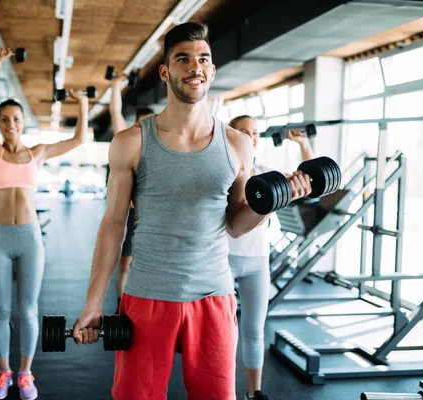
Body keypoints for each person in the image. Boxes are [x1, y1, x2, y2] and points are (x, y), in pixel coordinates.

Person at [71, 22, 312, 400]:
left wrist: (272, 203)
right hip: (147, 296)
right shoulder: (131, 142)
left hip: (214, 297)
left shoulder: (236, 144)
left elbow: (235, 223)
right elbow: (113, 224)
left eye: (203, 59)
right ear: (166, 72)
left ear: (212, 71)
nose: (194, 67)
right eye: (183, 59)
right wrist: (92, 303)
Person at [0, 48, 89, 400]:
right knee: (1, 311)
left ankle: (25, 373)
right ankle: (3, 373)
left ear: (22, 121)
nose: (10, 124)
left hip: (29, 237)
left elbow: (78, 140)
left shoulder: (38, 152)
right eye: (4, 119)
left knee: (27, 309)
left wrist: (83, 106)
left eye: (15, 118)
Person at [227, 115, 314, 400]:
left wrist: (303, 143)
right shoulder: (223, 172)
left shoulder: (267, 172)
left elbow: (308, 181)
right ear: (230, 135)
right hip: (222, 261)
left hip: (257, 262)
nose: (251, 137)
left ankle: (255, 393)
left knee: (254, 330)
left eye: (254, 132)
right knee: (222, 333)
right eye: (243, 131)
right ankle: (223, 390)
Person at [107, 71, 153, 312]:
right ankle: (120, 307)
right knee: (124, 262)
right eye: (141, 123)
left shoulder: (162, 148)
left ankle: (145, 305)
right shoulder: (129, 143)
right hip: (130, 214)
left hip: (152, 215)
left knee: (149, 265)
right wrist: (116, 86)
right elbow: (116, 113)